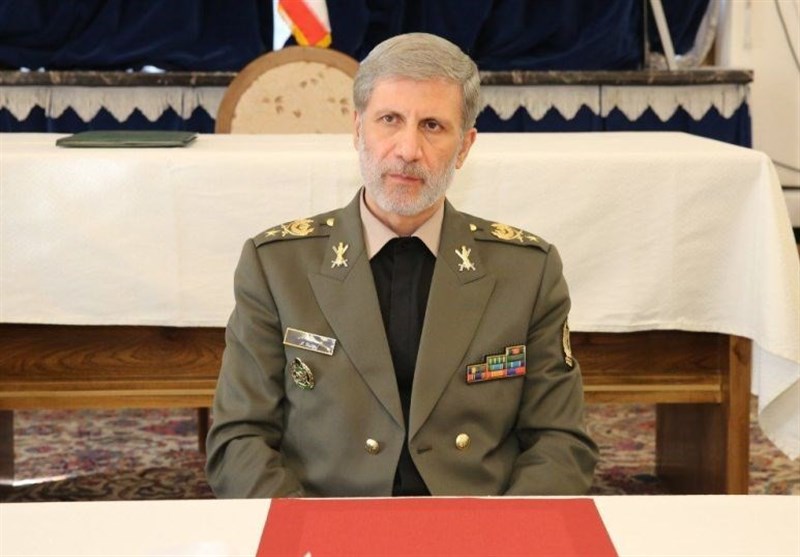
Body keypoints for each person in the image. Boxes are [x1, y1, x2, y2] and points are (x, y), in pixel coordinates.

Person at [206, 32, 598, 498]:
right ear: (357, 129)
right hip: (325, 520)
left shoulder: (527, 273)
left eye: (432, 126)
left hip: (474, 523)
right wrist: (304, 530)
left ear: (465, 147)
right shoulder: (277, 267)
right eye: (389, 120)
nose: (408, 149)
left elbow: (560, 441)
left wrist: (502, 533)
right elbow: (240, 438)